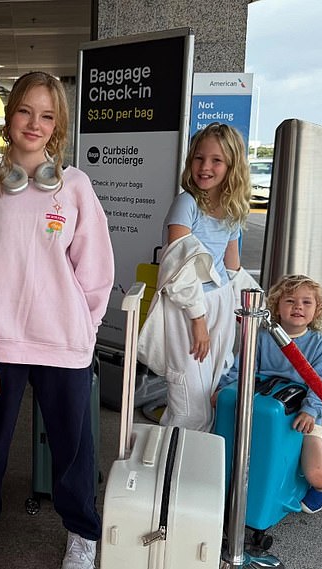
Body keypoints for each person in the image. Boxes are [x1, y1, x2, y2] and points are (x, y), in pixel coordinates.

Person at [0, 71, 114, 569]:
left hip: (62, 340)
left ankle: (82, 531)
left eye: (46, 115)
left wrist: (83, 327)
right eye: (25, 111)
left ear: (57, 125)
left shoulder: (75, 186)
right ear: (9, 116)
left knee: (74, 448)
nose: (34, 123)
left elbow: (96, 268)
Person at [137, 122, 251, 433]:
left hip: (220, 302)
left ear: (232, 166)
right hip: (188, 306)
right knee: (188, 403)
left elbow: (232, 268)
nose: (205, 167)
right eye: (199, 158)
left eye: (216, 160)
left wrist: (255, 311)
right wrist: (197, 319)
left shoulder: (232, 208)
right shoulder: (187, 203)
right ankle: (173, 459)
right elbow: (178, 266)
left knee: (213, 391)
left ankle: (196, 458)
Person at [215, 274, 322, 514]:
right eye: (290, 301)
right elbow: (241, 368)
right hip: (263, 406)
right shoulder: (262, 337)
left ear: (316, 310)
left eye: (306, 302)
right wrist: (223, 389)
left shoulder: (319, 344)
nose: (298, 307)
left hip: (306, 411)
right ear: (276, 306)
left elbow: (320, 383)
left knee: (317, 476)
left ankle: (319, 488)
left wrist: (310, 410)